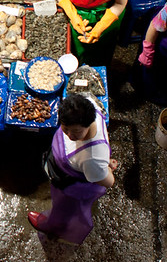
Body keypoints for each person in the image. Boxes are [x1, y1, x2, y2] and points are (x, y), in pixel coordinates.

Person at [28, 94, 118, 245]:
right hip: (66, 167)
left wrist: (104, 169)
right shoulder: (88, 106)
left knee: (65, 211)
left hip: (71, 186)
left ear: (89, 123)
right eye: (65, 128)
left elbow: (109, 182)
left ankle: (54, 228)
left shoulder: (92, 159)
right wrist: (106, 162)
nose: (69, 135)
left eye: (76, 131)